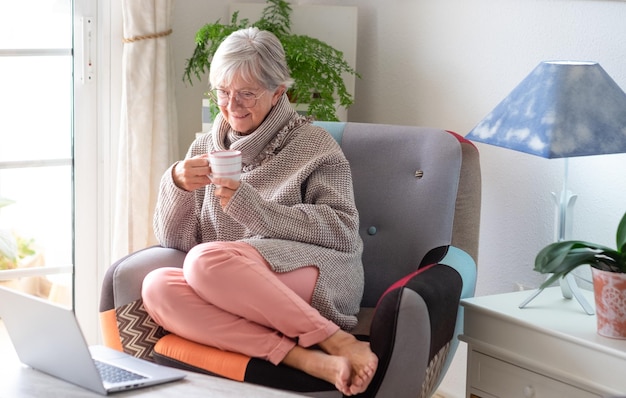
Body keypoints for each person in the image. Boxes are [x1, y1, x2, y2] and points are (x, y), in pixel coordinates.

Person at [141, 27, 377, 395]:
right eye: (223, 92)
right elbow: (174, 241)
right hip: (229, 284)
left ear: (279, 91)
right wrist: (175, 183)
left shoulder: (313, 145)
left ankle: (335, 339)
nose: (232, 106)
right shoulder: (204, 146)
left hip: (321, 275)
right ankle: (306, 358)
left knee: (205, 261)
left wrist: (253, 208)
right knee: (157, 287)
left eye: (246, 94)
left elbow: (342, 230)